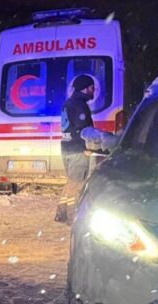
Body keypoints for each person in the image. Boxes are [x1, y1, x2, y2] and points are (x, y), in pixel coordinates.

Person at [55, 74, 96, 223]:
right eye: (92, 87)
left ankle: (61, 212)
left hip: (67, 147)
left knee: (71, 182)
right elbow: (84, 130)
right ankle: (73, 218)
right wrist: (92, 143)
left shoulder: (69, 103)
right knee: (77, 185)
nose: (94, 90)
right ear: (85, 88)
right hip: (78, 150)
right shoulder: (80, 105)